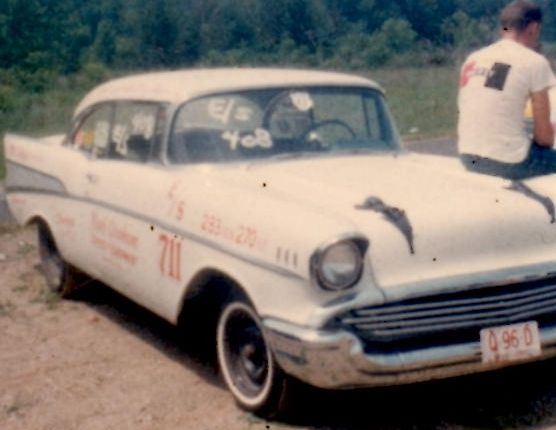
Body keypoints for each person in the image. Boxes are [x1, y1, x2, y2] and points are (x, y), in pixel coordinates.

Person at [458, 0, 556, 179]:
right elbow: (544, 138)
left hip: (468, 157)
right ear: (533, 28)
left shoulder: (474, 58)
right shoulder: (534, 61)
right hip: (508, 161)